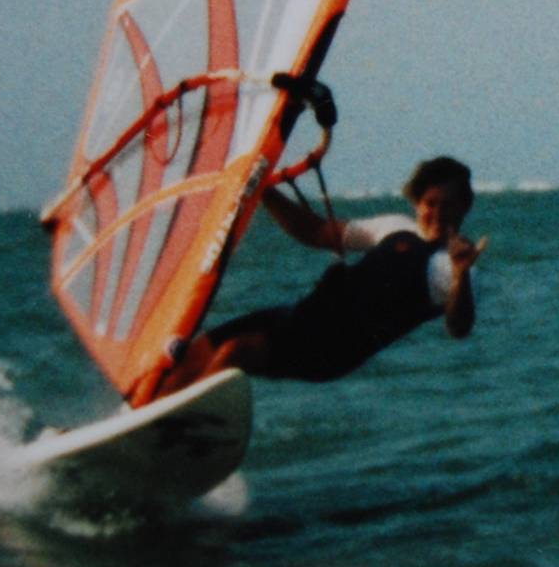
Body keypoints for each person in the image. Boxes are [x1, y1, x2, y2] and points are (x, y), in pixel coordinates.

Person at [129, 156, 485, 406]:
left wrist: (461, 273)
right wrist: (264, 191)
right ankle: (141, 417)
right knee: (195, 353)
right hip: (298, 317)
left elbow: (459, 326)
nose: (438, 213)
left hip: (332, 348)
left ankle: (179, 435)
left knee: (235, 353)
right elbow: (316, 231)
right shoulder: (394, 227)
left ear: (465, 207)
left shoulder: (453, 267)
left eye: (449, 205)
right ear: (417, 202)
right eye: (430, 203)